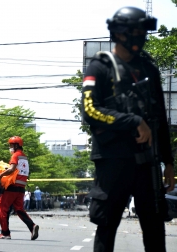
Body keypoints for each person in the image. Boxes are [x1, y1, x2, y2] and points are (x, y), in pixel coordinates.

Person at [82, 7, 175, 252]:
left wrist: (169, 162)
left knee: (155, 228)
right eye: (137, 31)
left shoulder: (149, 69)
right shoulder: (100, 67)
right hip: (113, 161)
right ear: (122, 33)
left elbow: (159, 119)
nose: (142, 36)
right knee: (107, 225)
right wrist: (133, 121)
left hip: (147, 163)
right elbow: (90, 111)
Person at [0, 136, 39, 240]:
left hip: (12, 187)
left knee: (2, 207)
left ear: (16, 145)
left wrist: (0, 175)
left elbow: (12, 169)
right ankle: (32, 226)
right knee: (19, 209)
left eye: (11, 145)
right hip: (21, 188)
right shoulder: (24, 157)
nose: (10, 147)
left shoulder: (16, 155)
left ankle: (5, 233)